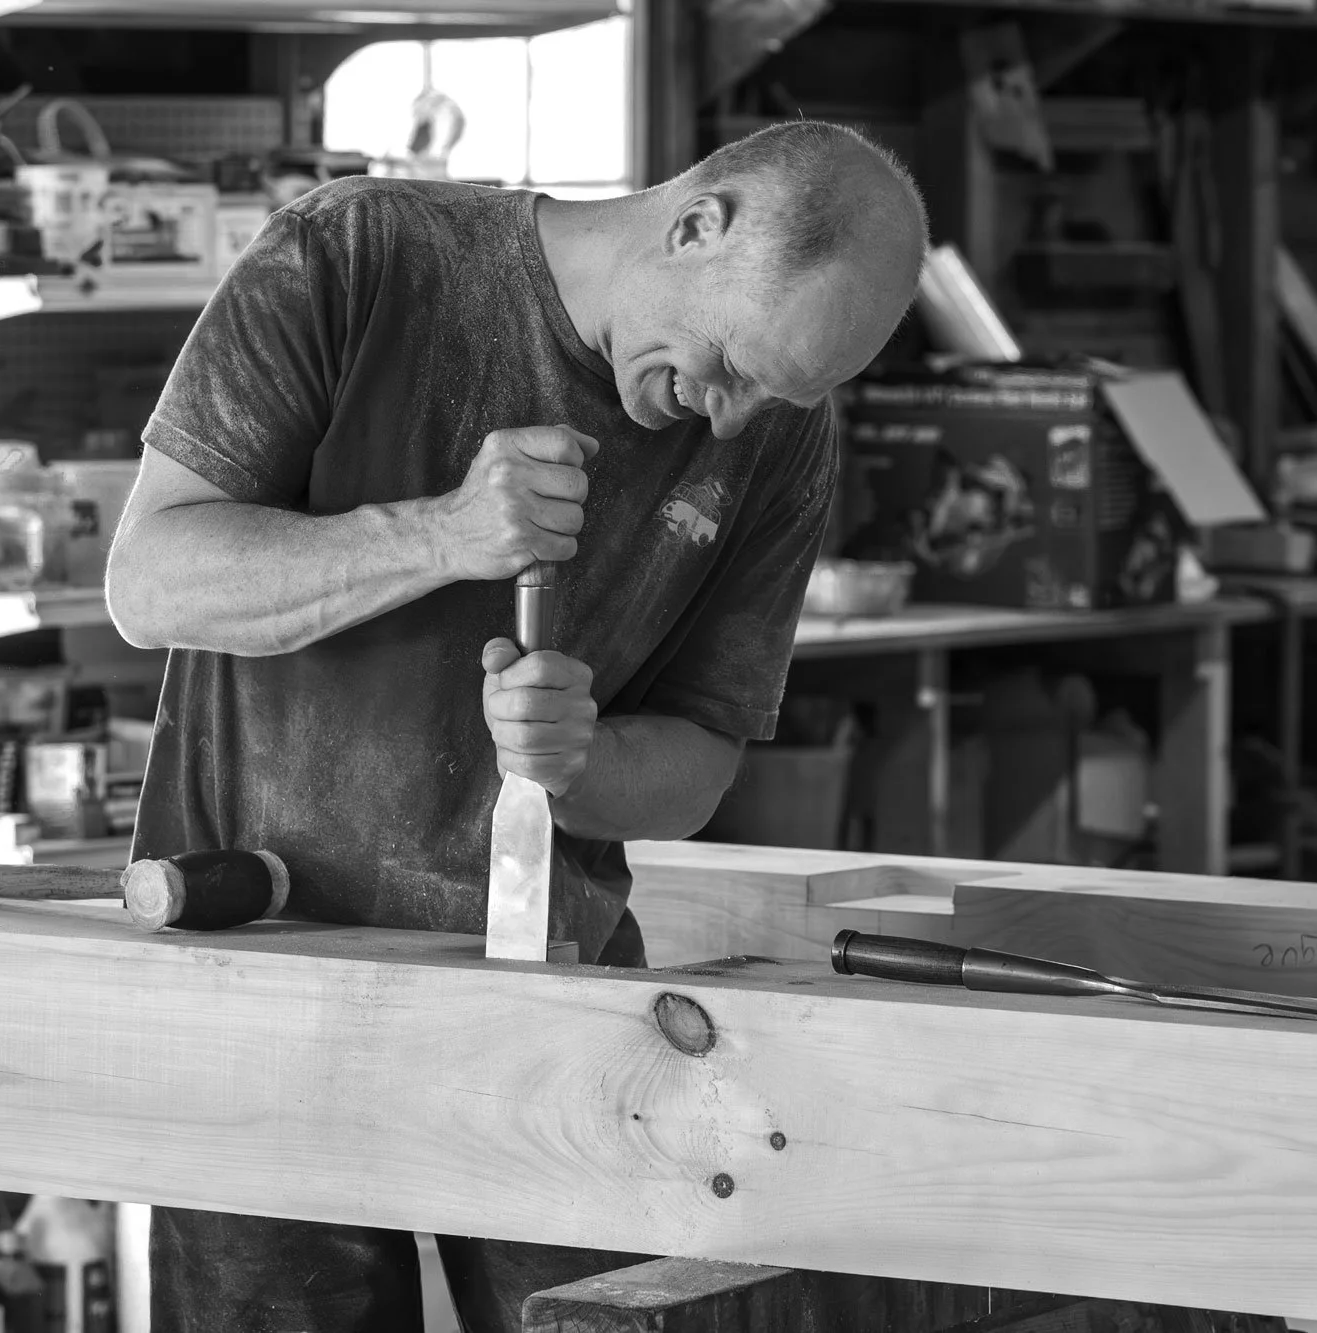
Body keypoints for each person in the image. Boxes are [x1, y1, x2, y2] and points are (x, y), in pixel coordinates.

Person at [104, 120, 928, 1333]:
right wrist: (439, 535)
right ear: (699, 225)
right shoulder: (360, 259)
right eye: (733, 363)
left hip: (559, 1014)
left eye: (775, 394)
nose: (735, 416)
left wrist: (584, 765)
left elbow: (697, 761)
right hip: (262, 986)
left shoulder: (780, 440)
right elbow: (151, 584)